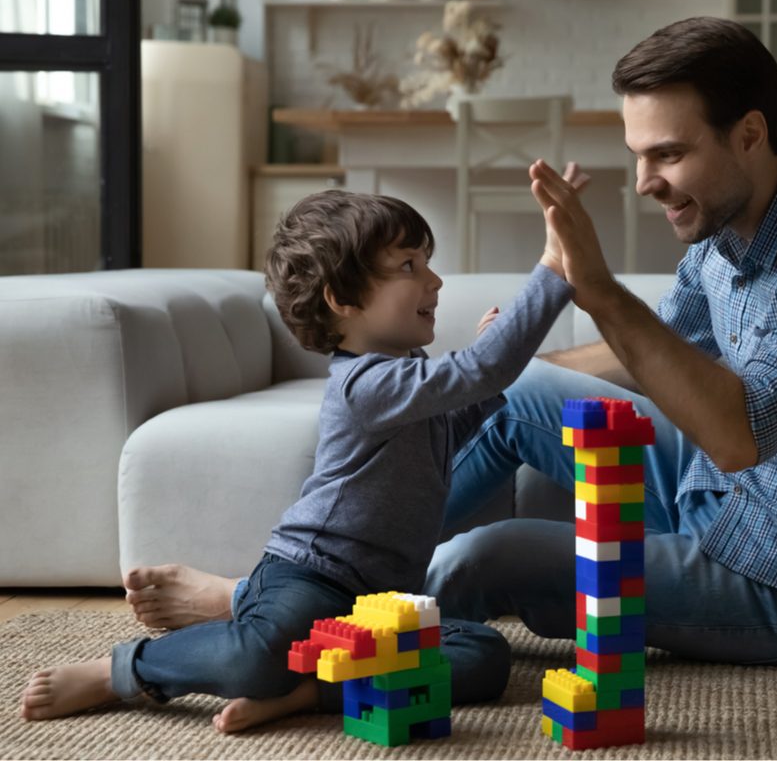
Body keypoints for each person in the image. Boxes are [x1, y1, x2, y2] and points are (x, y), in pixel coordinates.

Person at [111, 15, 777, 667]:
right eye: (638, 153)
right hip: (720, 500)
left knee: (488, 558)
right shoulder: (727, 233)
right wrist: (509, 367)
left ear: (752, 135)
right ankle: (292, 588)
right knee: (504, 395)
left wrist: (593, 285)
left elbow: (737, 434)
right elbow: (647, 352)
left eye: (669, 154)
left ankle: (276, 618)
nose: (647, 181)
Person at [20, 188, 576, 730]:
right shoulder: (366, 383)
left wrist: (483, 369)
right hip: (312, 576)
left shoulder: (409, 377)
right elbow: (482, 370)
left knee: (484, 655)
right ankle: (121, 670)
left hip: (381, 599)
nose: (434, 280)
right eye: (409, 265)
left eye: (427, 262)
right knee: (256, 658)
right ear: (343, 299)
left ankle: (311, 691)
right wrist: (553, 268)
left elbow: (452, 422)